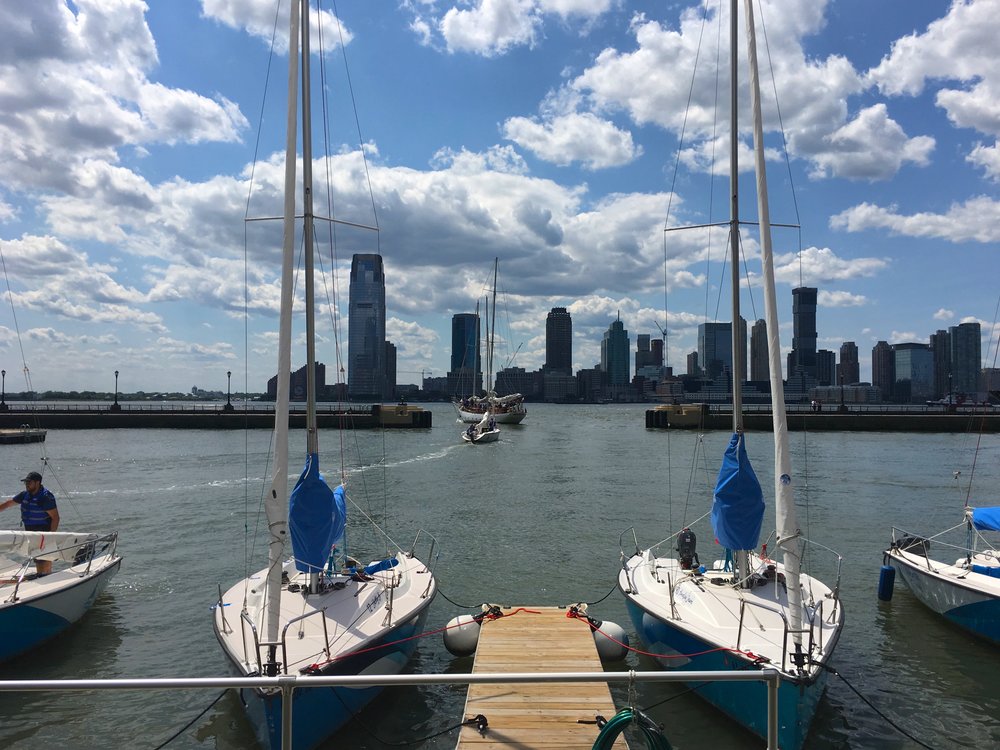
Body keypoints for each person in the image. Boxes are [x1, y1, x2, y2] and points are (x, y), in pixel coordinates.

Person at [0, 471, 60, 576]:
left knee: (43, 557)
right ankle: (42, 575)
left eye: (29, 482)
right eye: (26, 482)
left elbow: (55, 518)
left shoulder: (45, 497)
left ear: (37, 483)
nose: (27, 484)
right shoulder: (24, 495)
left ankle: (46, 577)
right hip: (30, 531)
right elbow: (8, 504)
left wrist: (50, 535)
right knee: (36, 557)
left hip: (43, 531)